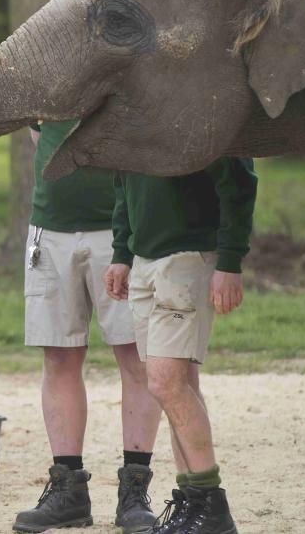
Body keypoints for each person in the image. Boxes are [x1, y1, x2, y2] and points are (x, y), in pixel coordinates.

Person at [12, 0, 162, 534]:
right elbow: (36, 134)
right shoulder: (42, 53)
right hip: (51, 229)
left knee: (135, 359)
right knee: (58, 356)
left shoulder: (135, 51)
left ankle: (135, 494)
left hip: (119, 233)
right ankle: (68, 489)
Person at [105, 157, 257, 534]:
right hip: (144, 259)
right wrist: (122, 253)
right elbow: (125, 184)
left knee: (165, 383)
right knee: (175, 386)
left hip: (189, 257)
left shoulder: (203, 108)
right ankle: (193, 505)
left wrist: (230, 261)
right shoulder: (133, 117)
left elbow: (239, 181)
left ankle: (212, 506)